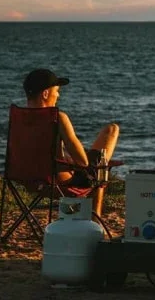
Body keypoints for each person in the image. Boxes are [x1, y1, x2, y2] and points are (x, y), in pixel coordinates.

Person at [23, 68, 119, 218]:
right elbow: (82, 162)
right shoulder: (57, 118)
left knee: (93, 166)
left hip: (27, 180)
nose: (58, 95)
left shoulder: (18, 119)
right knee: (107, 145)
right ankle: (95, 222)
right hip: (59, 183)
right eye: (57, 91)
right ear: (45, 93)